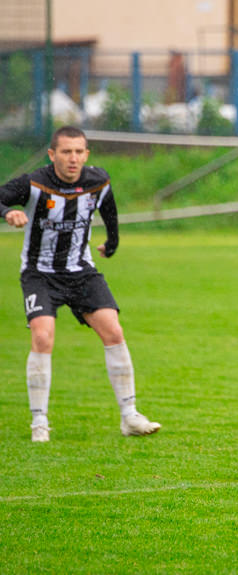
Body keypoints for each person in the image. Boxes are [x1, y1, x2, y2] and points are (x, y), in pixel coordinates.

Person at [0, 126, 160, 442]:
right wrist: (8, 212)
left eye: (78, 152)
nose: (73, 159)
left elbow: (109, 210)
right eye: (66, 152)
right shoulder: (33, 183)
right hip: (40, 273)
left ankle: (129, 416)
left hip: (81, 271)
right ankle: (39, 422)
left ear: (86, 154)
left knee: (113, 331)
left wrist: (112, 242)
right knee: (43, 336)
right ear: (52, 154)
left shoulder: (97, 181)